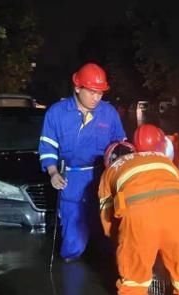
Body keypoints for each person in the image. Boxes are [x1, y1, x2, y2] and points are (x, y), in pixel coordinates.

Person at [98, 125, 179, 295]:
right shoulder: (164, 161)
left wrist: (119, 239)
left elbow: (107, 215)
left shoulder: (110, 171)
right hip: (177, 213)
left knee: (134, 273)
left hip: (140, 218)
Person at [38, 62, 126, 262]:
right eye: (92, 92)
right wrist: (53, 172)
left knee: (108, 241)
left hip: (101, 179)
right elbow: (47, 147)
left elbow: (122, 147)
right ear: (77, 87)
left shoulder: (109, 113)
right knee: (74, 246)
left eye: (100, 93)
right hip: (72, 180)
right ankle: (67, 281)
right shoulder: (56, 113)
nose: (97, 97)